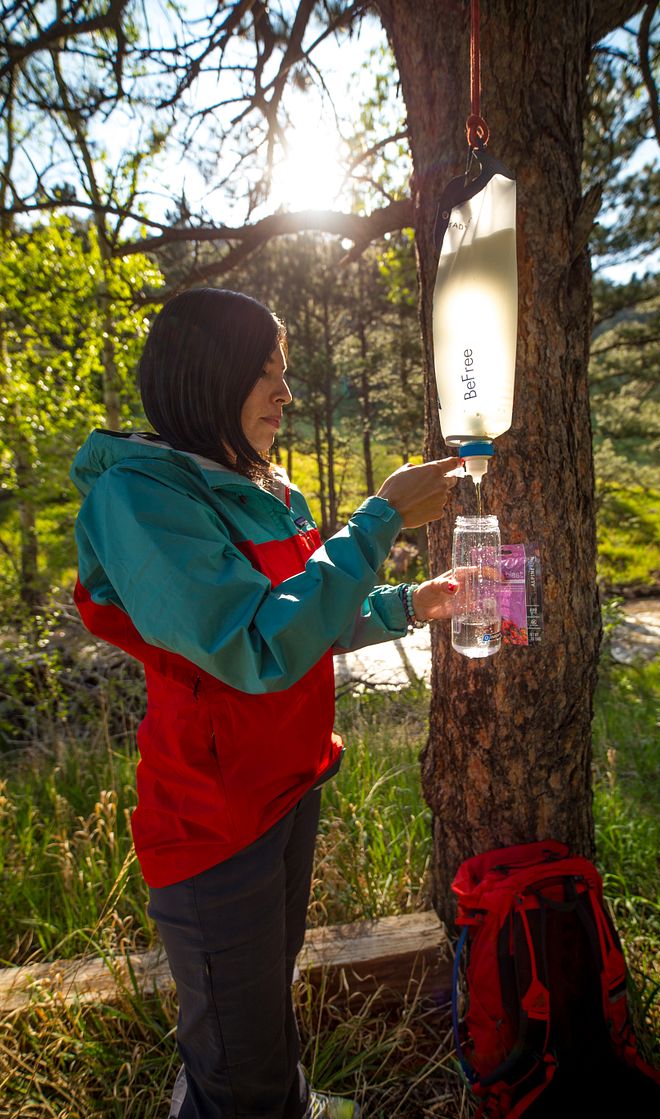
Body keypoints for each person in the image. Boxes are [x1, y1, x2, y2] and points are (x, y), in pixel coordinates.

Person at [70, 288, 461, 1119]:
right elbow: (254, 644)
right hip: (214, 817)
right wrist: (379, 517)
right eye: (263, 372)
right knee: (233, 1063)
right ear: (202, 376)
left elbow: (309, 617)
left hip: (286, 788)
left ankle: (297, 1104)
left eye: (283, 372)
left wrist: (404, 605)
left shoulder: (267, 489)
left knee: (261, 1000)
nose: (284, 392)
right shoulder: (140, 497)